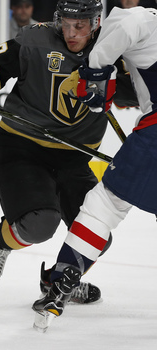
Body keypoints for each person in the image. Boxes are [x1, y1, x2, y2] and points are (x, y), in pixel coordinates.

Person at [0, 0, 138, 301]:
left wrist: (118, 83)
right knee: (40, 224)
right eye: (65, 23)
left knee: (97, 233)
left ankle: (58, 281)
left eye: (79, 25)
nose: (70, 32)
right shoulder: (36, 40)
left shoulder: (114, 49)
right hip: (23, 148)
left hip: (73, 158)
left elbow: (139, 91)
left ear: (96, 23)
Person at [33, 5, 157, 325]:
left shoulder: (135, 17)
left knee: (104, 205)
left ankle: (61, 284)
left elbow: (127, 30)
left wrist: (95, 74)